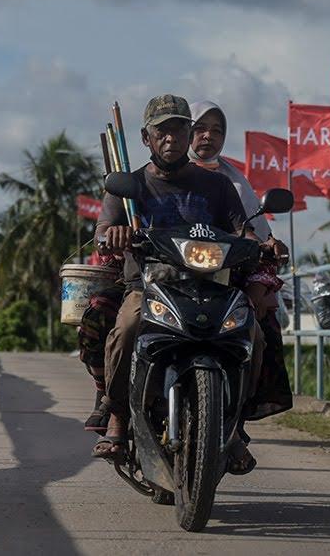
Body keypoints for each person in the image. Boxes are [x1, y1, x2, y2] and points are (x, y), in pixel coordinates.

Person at [92, 94, 259, 466]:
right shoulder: (130, 185)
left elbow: (242, 229)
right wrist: (113, 234)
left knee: (253, 334)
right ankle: (118, 415)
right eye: (161, 132)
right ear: (146, 138)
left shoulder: (216, 186)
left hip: (211, 286)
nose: (170, 139)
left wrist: (261, 245)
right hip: (150, 287)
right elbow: (103, 228)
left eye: (179, 130)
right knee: (127, 327)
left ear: (189, 134)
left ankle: (233, 425)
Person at [189, 101, 293, 424]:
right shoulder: (169, 176)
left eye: (217, 130)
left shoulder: (232, 183)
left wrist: (268, 248)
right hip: (174, 276)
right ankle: (118, 405)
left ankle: (236, 419)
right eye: (200, 129)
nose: (208, 136)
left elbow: (254, 232)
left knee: (258, 334)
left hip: (226, 280)